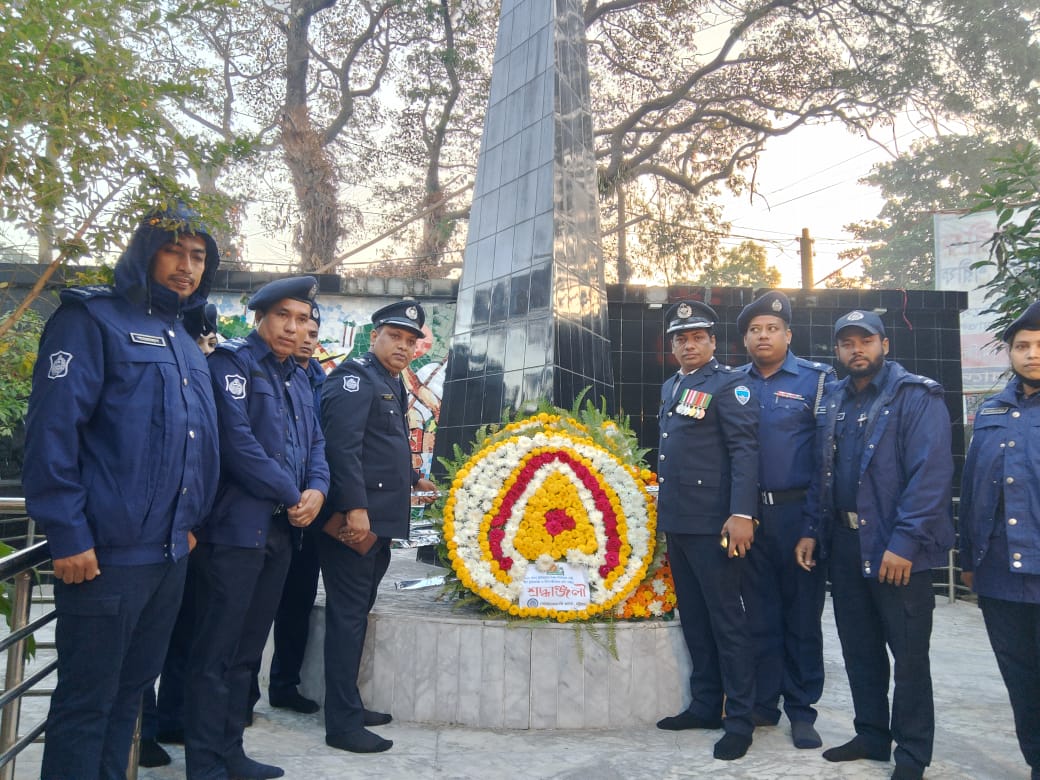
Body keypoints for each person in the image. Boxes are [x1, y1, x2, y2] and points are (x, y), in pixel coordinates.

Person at [23, 204, 221, 779]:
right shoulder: (91, 320)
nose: (187, 267)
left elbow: (194, 441)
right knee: (87, 703)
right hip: (104, 556)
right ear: (145, 251)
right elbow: (54, 432)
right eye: (174, 251)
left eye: (198, 257)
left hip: (169, 555)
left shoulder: (183, 338)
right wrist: (66, 532)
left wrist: (189, 523)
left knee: (130, 698)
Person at [796, 310, 954, 780]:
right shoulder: (835, 399)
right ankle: (871, 733)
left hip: (896, 549)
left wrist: (904, 543)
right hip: (844, 544)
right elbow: (820, 475)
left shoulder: (916, 397)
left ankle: (911, 753)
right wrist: (810, 528)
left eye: (865, 340)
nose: (856, 350)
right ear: (839, 351)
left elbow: (931, 477)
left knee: (908, 657)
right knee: (858, 648)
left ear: (884, 345)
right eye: (846, 343)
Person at [185, 276, 329, 780]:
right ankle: (203, 763)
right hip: (234, 532)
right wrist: (294, 493)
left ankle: (231, 752)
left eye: (303, 319)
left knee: (247, 653)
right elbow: (237, 444)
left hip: (280, 535)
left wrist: (317, 490)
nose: (294, 328)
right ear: (260, 318)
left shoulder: (298, 377)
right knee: (215, 653)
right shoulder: (232, 364)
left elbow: (315, 446)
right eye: (284, 317)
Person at [319, 299, 437, 754]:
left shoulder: (388, 381)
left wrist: (414, 477)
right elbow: (341, 448)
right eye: (395, 337)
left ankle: (349, 704)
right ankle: (342, 724)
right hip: (356, 523)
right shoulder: (353, 379)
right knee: (347, 619)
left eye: (411, 341)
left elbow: (381, 442)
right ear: (375, 337)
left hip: (379, 522)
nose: (403, 347)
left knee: (357, 615)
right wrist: (354, 508)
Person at [653, 300, 759, 761]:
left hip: (716, 525)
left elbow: (745, 452)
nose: (688, 344)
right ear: (673, 345)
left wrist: (742, 514)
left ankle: (739, 720)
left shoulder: (731, 384)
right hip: (679, 520)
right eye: (681, 338)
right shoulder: (670, 386)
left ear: (713, 342)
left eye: (697, 336)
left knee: (727, 622)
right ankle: (703, 705)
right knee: (695, 620)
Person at [737, 291, 833, 749]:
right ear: (745, 338)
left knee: (801, 616)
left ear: (788, 335)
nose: (763, 335)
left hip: (798, 515)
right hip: (748, 516)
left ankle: (801, 709)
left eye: (772, 328)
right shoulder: (734, 384)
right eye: (755, 329)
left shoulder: (817, 382)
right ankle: (763, 702)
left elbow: (824, 462)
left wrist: (813, 526)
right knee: (759, 614)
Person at [959, 301, 1040, 780]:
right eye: (1022, 346)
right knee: (1021, 680)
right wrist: (968, 559)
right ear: (1009, 352)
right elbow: (972, 491)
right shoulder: (992, 410)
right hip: (1001, 577)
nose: (1032, 355)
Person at [267, 306, 326, 714]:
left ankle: (285, 685)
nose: (304, 334)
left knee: (298, 603)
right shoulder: (264, 373)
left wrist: (317, 493)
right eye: (299, 325)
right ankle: (241, 699)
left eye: (312, 328)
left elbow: (326, 444)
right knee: (255, 611)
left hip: (312, 512)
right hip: (271, 510)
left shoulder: (322, 382)